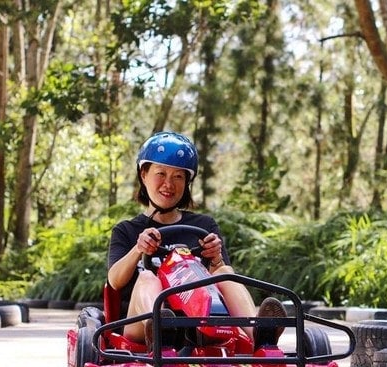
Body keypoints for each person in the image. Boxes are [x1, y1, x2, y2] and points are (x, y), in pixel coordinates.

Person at [106, 131, 285, 350]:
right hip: (140, 327)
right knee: (147, 278)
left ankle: (261, 336)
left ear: (187, 182)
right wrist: (138, 249)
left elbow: (221, 274)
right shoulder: (127, 230)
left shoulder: (203, 226)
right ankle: (161, 328)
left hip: (198, 321)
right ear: (144, 175)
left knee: (225, 272)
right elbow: (114, 282)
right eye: (160, 174)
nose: (168, 184)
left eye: (178, 177)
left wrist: (216, 258)